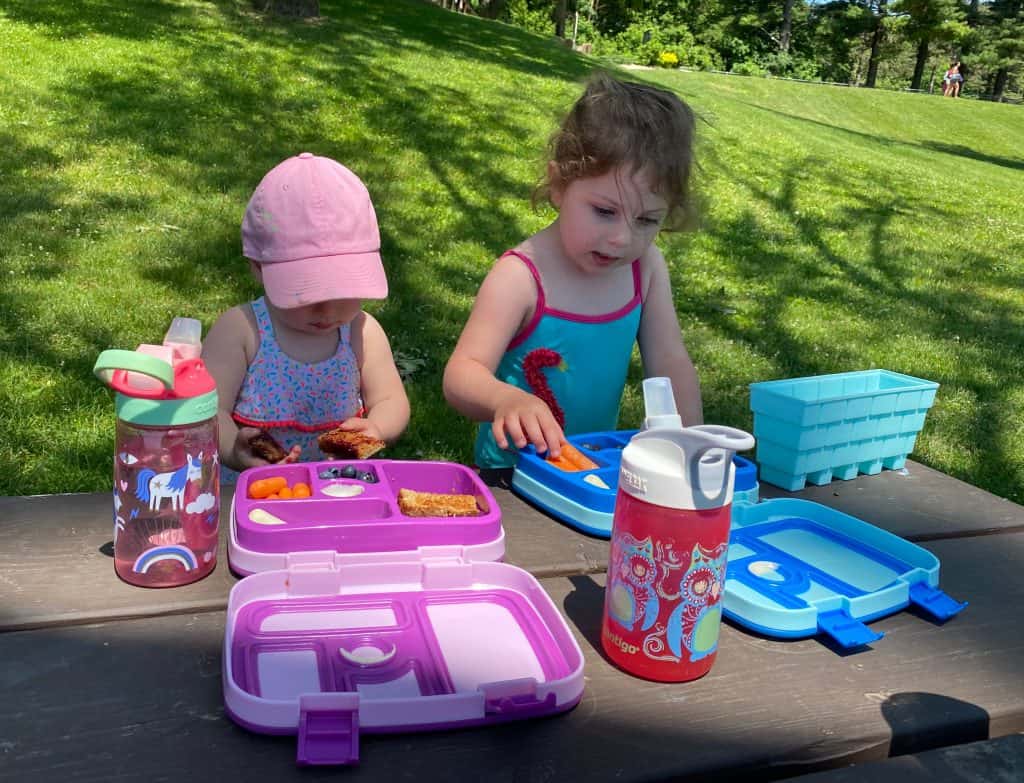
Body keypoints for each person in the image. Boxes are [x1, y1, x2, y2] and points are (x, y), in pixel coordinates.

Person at [443, 72, 704, 469]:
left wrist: (690, 450)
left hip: (592, 472)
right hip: (512, 477)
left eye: (647, 220)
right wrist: (505, 400)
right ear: (559, 185)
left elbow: (670, 365)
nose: (622, 239)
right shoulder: (521, 275)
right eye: (604, 211)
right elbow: (462, 375)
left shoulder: (645, 268)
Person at [202, 153, 410, 479]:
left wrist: (378, 426)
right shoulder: (242, 330)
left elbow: (390, 399)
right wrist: (233, 449)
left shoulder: (361, 332)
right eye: (305, 292)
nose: (328, 311)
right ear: (258, 267)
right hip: (254, 491)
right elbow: (209, 412)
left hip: (339, 489)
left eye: (344, 291)